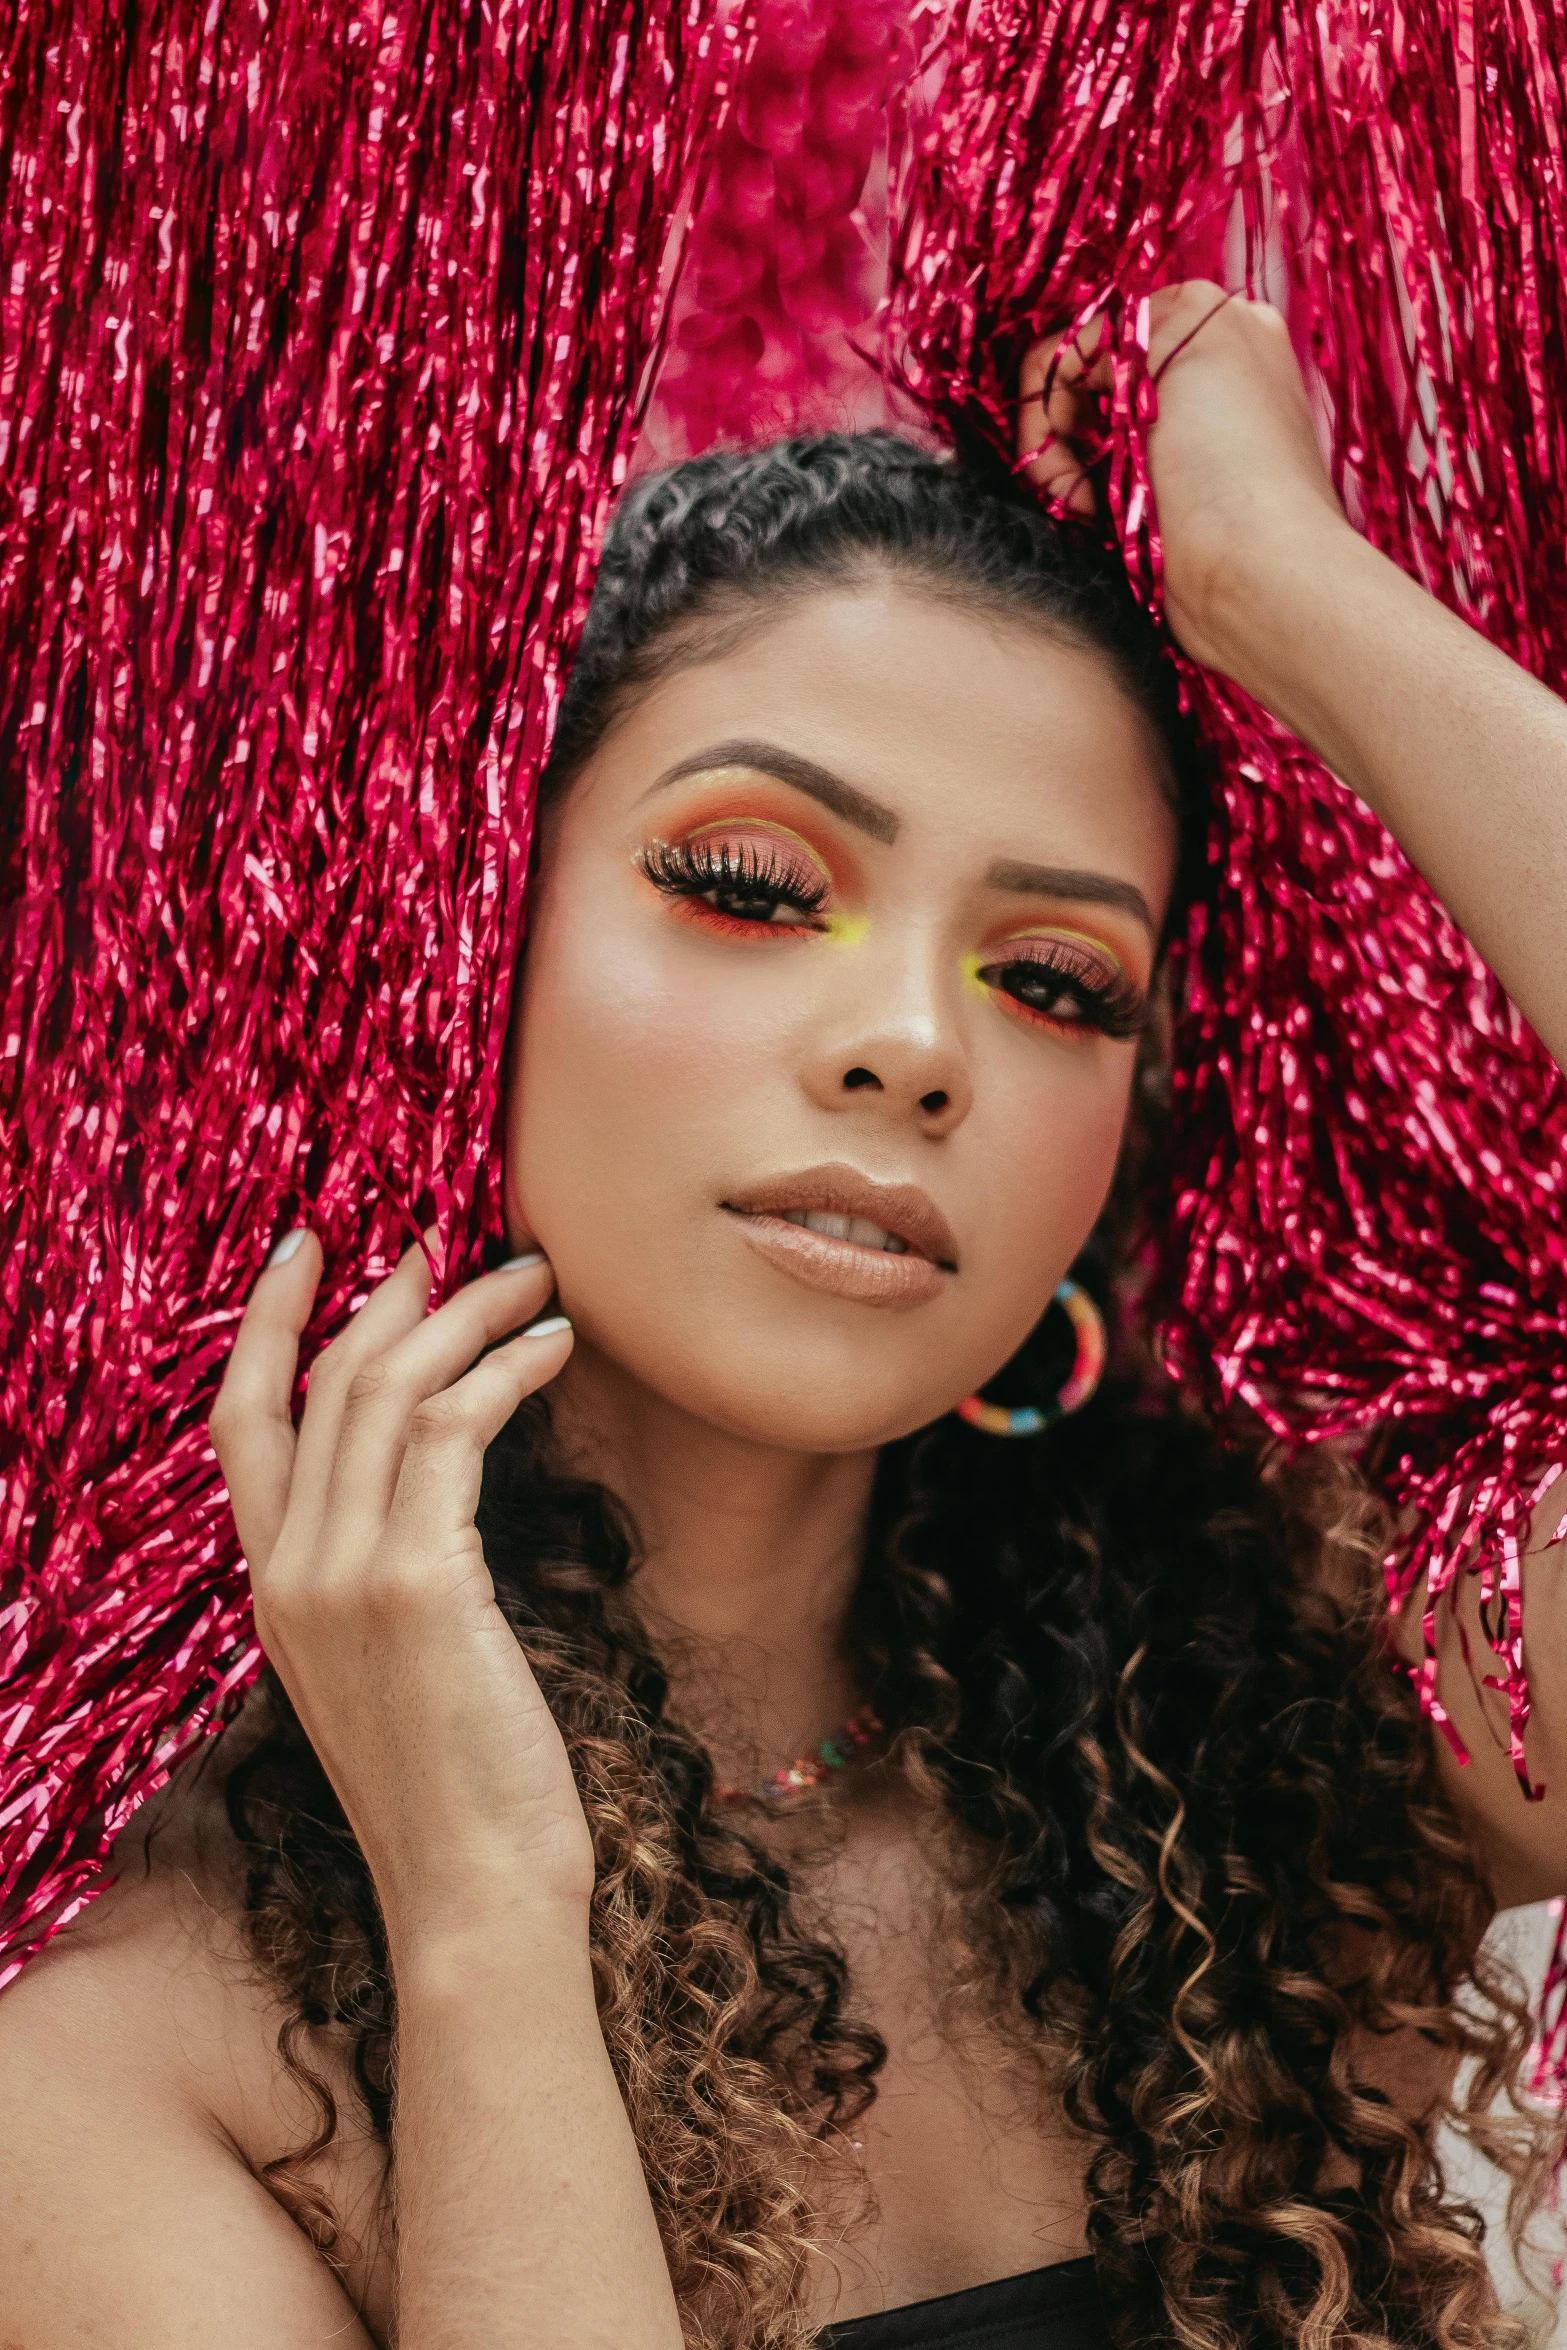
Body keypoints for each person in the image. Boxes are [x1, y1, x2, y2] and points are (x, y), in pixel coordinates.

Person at [0, 282, 1563, 2350]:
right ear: (456, 943)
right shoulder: (135, 2049)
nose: (917, 1045)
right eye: (747, 881)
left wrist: (1292, 591)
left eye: (1062, 979)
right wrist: (483, 1917)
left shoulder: (1263, 1758)